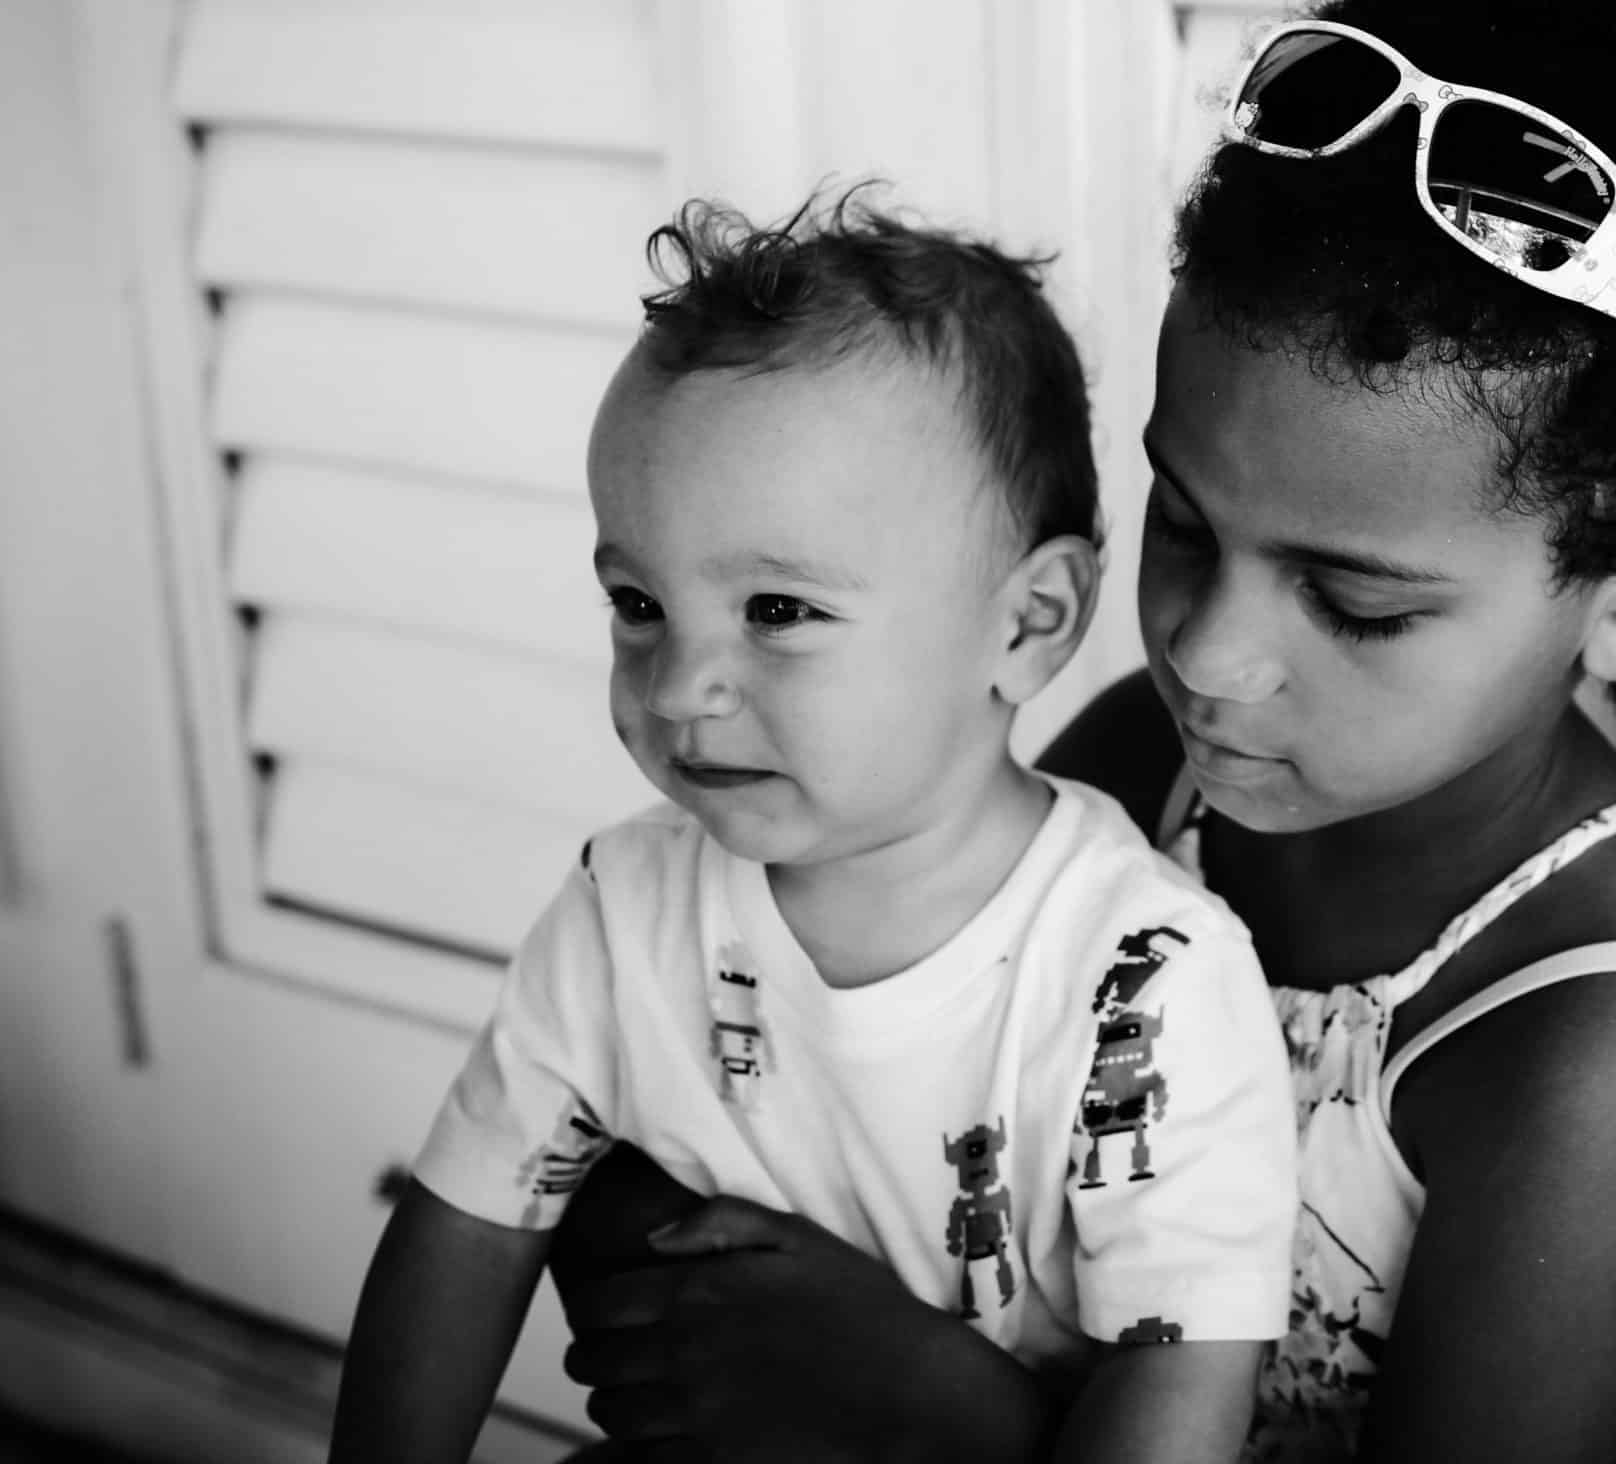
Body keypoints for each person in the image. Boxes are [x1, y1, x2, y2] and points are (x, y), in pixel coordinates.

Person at [553, 0, 1616, 1463]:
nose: (1205, 653)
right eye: (1180, 520)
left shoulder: (1602, 1047)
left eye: (1356, 602)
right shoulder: (1153, 775)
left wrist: (941, 1411)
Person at [328, 196, 1299, 1464]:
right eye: (638, 603)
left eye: (776, 610)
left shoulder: (1144, 975)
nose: (682, 687)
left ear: (1027, 624)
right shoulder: (628, 908)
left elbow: (1178, 1381)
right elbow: (468, 1221)